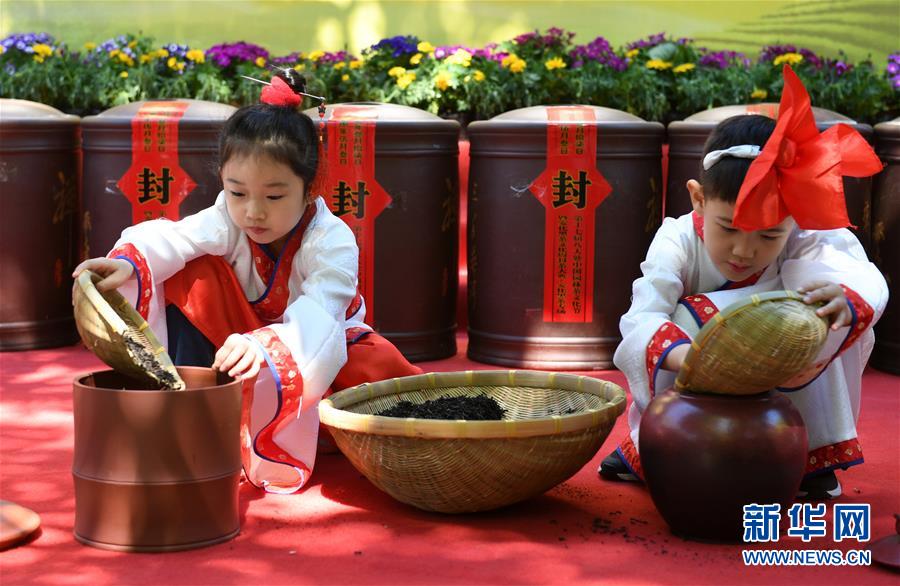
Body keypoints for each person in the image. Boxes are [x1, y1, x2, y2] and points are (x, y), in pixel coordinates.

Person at [72, 72, 421, 494]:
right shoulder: (226, 217)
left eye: (274, 197)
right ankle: (193, 401)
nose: (253, 212)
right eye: (238, 193)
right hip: (240, 340)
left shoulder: (332, 239)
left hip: (319, 350)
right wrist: (129, 264)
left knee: (379, 376)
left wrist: (264, 345)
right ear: (223, 181)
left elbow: (321, 314)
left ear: (310, 188)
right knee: (186, 268)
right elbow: (176, 236)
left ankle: (295, 424)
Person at [600, 65, 889, 500]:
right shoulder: (676, 238)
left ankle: (808, 452)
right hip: (696, 369)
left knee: (830, 313)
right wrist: (690, 356)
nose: (743, 251)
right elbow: (644, 316)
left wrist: (846, 300)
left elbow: (859, 274)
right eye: (729, 228)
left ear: (794, 212)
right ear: (698, 198)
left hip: (781, 361)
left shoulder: (805, 233)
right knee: (679, 317)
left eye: (769, 235)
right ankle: (657, 443)